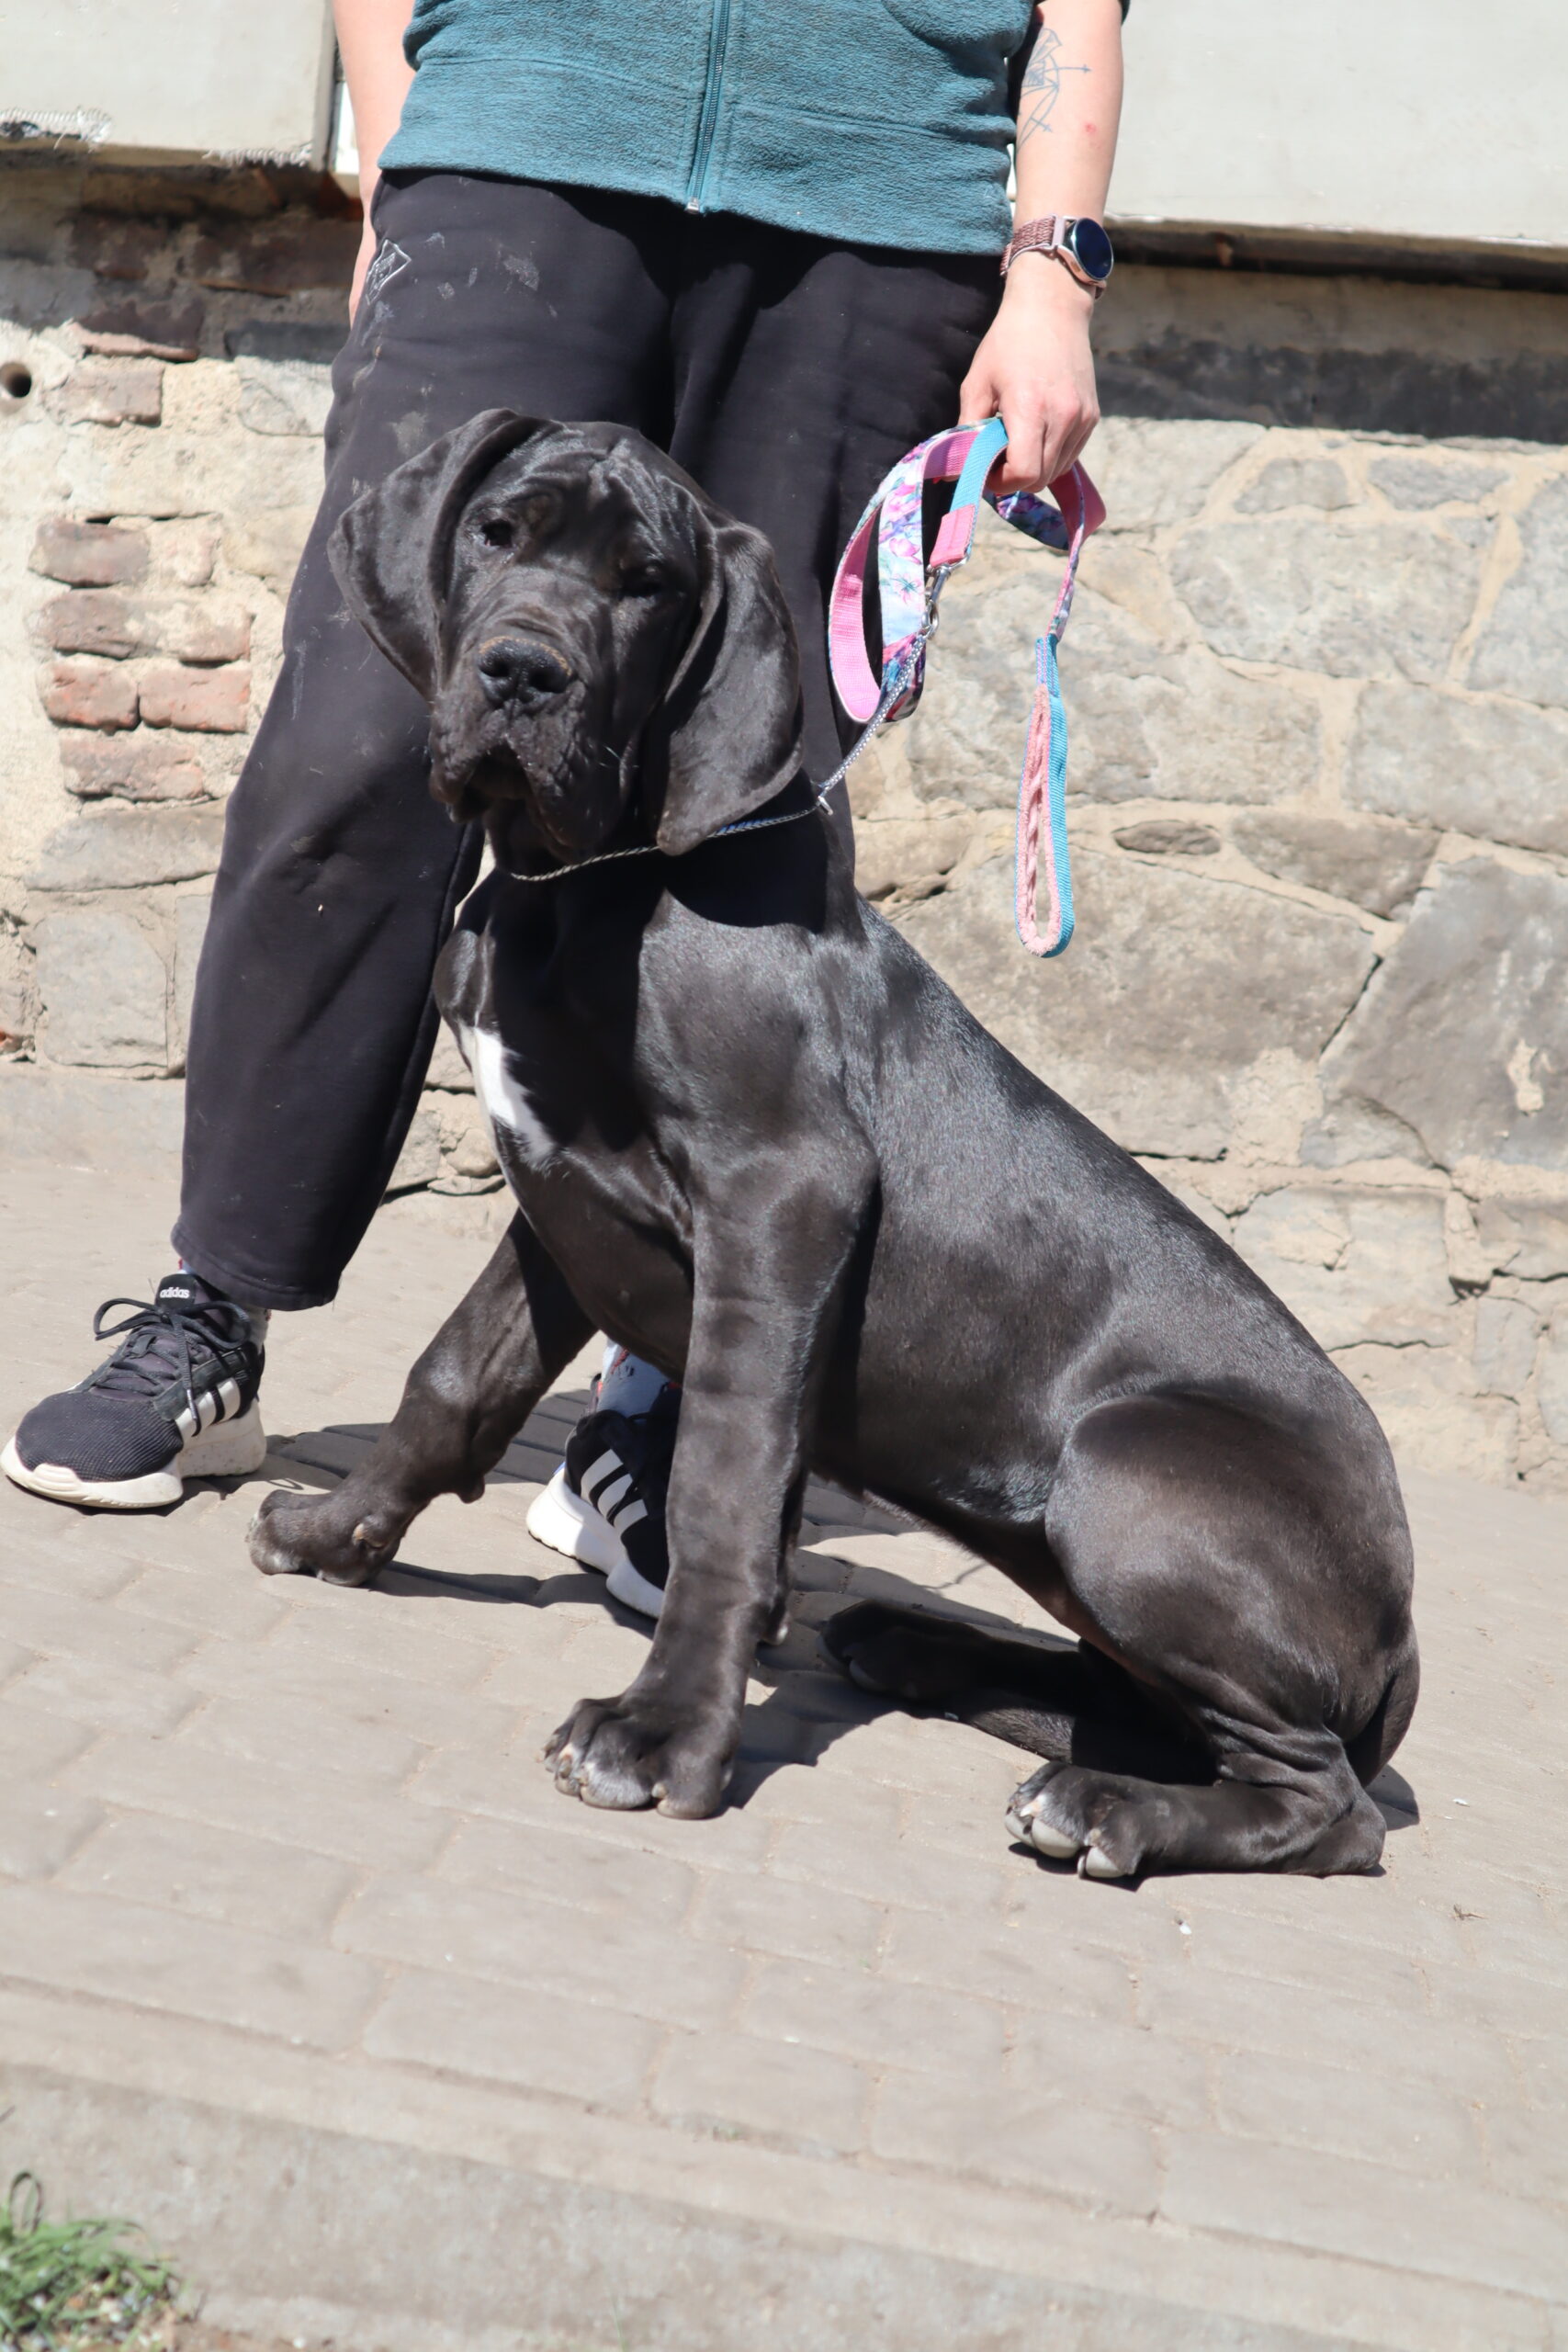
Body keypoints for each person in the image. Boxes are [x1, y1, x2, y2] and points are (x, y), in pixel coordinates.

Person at [5, 0, 1127, 1601]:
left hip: (877, 212)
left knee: (735, 807)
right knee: (360, 748)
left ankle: (657, 1411)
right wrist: (393, 159)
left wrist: (1053, 270)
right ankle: (216, 1312)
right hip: (524, 138)